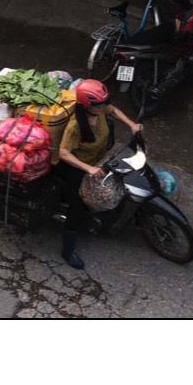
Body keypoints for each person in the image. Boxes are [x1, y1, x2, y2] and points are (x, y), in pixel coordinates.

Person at [56, 79, 143, 269]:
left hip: (101, 158)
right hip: (78, 168)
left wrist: (131, 124)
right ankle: (67, 250)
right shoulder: (76, 126)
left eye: (104, 102)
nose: (103, 106)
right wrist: (88, 169)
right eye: (98, 104)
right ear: (87, 105)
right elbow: (63, 153)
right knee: (77, 206)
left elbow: (112, 110)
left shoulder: (100, 109)